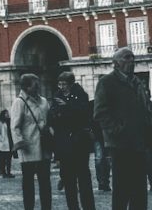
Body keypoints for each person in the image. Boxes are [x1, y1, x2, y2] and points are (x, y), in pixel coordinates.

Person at [94, 47, 151, 210]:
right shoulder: (107, 82)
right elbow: (100, 112)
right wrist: (117, 130)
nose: (131, 61)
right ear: (116, 63)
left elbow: (144, 107)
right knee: (122, 189)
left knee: (140, 189)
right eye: (127, 58)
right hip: (120, 144)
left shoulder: (137, 82)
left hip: (139, 142)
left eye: (133, 58)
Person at [48, 71, 95, 210]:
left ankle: (89, 207)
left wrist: (66, 108)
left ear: (71, 84)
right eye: (60, 84)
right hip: (64, 143)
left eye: (64, 84)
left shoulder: (81, 95)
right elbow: (52, 117)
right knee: (68, 179)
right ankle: (73, 207)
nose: (62, 87)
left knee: (83, 177)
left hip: (79, 142)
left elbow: (83, 115)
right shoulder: (57, 96)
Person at [11, 72, 52, 210]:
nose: (38, 87)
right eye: (35, 85)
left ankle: (47, 207)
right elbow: (15, 127)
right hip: (28, 149)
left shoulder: (44, 101)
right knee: (28, 183)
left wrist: (51, 133)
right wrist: (21, 142)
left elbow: (50, 121)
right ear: (26, 87)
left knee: (45, 182)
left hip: (44, 147)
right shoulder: (19, 102)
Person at [0, 109, 15, 178]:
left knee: (9, 158)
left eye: (8, 113)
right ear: (3, 114)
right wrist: (2, 140)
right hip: (4, 143)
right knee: (3, 159)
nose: (7, 114)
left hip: (10, 142)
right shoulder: (0, 122)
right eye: (6, 113)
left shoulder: (10, 121)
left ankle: (9, 172)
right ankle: (3, 172)